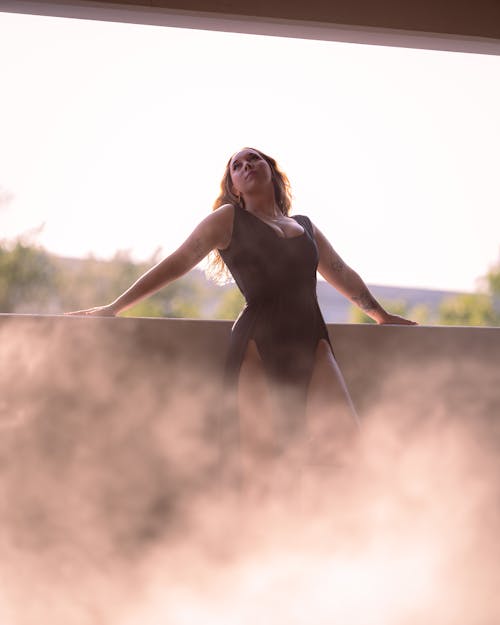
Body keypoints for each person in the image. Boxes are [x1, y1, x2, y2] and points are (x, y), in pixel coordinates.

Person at [67, 147, 416, 489]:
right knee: (261, 461)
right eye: (237, 165)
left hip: (312, 337)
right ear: (233, 186)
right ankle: (259, 540)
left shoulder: (305, 226)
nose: (246, 165)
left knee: (346, 443)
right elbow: (178, 261)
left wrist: (380, 314)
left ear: (273, 173)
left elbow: (340, 271)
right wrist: (115, 307)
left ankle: (317, 525)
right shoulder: (228, 220)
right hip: (256, 340)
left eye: (254, 159)